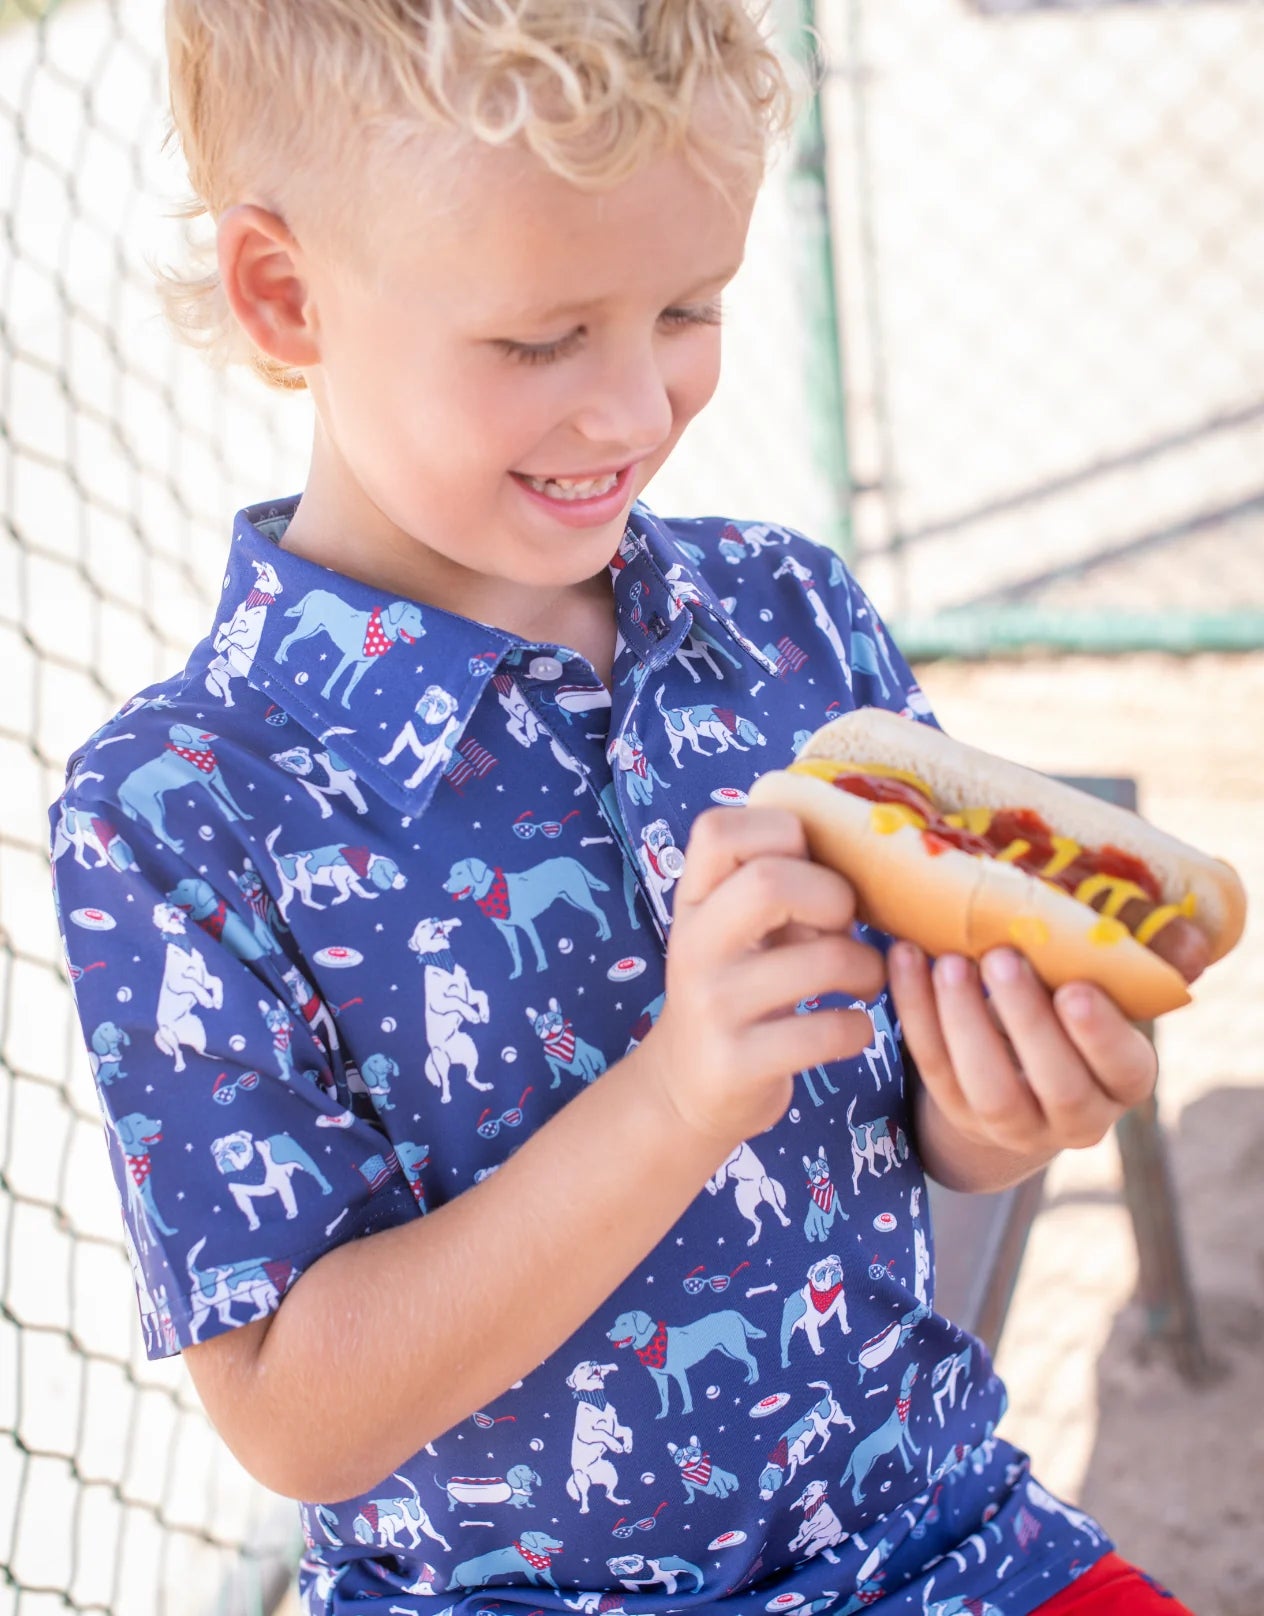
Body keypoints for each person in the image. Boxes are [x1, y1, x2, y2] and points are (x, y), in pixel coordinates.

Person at [48, 4, 1198, 1613]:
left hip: (927, 1539)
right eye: (540, 339)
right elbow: (299, 1414)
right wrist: (673, 1100)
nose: (638, 410)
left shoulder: (787, 623)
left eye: (689, 307)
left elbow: (916, 1139)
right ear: (285, 294)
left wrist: (997, 1113)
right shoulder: (180, 817)